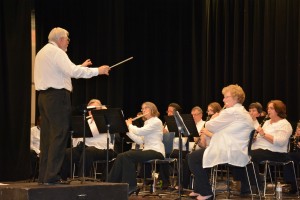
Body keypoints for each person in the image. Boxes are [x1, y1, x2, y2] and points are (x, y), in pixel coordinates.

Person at [34, 27, 110, 185]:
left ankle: (44, 177)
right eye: (67, 39)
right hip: (57, 97)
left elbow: (63, 72)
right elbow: (73, 72)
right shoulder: (58, 52)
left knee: (47, 138)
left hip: (43, 97)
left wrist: (80, 66)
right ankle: (52, 177)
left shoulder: (42, 52)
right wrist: (98, 71)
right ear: (60, 39)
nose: (68, 42)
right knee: (59, 136)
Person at [188, 84, 254, 200]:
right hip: (236, 149)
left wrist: (215, 117)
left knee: (193, 157)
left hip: (230, 150)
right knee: (197, 157)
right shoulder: (241, 111)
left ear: (236, 98)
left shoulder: (232, 112)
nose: (223, 100)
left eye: (226, 97)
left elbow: (209, 126)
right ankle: (199, 189)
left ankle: (206, 192)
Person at [108, 102, 165, 196]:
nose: (143, 110)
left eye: (145, 108)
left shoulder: (156, 121)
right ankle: (111, 184)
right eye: (142, 108)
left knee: (127, 156)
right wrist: (126, 130)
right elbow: (140, 141)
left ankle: (130, 186)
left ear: (152, 109)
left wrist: (130, 125)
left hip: (157, 151)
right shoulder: (147, 122)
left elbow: (139, 132)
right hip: (148, 150)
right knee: (121, 156)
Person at [60, 99, 116, 181]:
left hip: (102, 149)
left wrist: (80, 132)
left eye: (94, 109)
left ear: (99, 109)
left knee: (88, 151)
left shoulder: (103, 120)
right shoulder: (87, 121)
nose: (91, 111)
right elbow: (76, 137)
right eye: (90, 109)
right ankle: (62, 179)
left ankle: (82, 180)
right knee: (67, 153)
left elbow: (91, 133)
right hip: (85, 148)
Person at [248, 100, 297, 194]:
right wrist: (254, 138)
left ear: (278, 110)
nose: (268, 110)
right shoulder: (266, 122)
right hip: (260, 150)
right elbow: (259, 137)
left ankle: (257, 187)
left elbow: (280, 142)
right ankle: (247, 186)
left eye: (271, 108)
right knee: (241, 154)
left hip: (276, 153)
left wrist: (263, 134)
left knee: (250, 156)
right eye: (268, 108)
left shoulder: (285, 124)